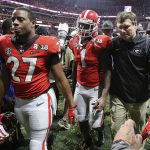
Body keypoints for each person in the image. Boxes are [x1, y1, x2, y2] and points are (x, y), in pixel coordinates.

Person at [0, 7, 75, 150]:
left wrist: (71, 105)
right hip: (19, 101)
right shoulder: (4, 43)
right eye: (14, 19)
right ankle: (48, 139)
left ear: (33, 23)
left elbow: (60, 79)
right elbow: (4, 77)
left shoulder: (47, 44)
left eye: (20, 19)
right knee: (33, 137)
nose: (15, 23)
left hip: (40, 100)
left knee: (36, 143)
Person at [68, 10, 112, 149]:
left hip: (95, 88)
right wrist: (73, 88)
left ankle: (100, 133)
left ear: (95, 26)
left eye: (86, 26)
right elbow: (75, 67)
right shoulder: (74, 41)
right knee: (81, 118)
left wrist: (104, 96)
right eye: (81, 25)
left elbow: (107, 71)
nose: (82, 29)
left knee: (95, 122)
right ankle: (88, 142)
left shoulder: (101, 42)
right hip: (80, 87)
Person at [109, 11, 150, 142]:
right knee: (116, 130)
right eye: (119, 27)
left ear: (135, 25)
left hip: (139, 98)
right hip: (118, 96)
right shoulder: (115, 43)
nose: (122, 31)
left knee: (138, 134)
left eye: (126, 27)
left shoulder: (147, 44)